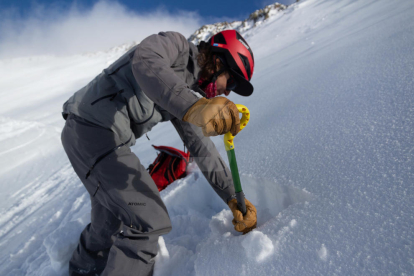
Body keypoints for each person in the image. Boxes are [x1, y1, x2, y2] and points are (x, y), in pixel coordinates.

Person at [61, 29, 257, 276]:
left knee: (109, 221)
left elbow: (202, 148)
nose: (227, 92)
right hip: (93, 130)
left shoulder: (187, 95)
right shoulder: (175, 46)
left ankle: (82, 269)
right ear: (218, 61)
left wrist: (232, 196)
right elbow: (145, 60)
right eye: (232, 81)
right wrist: (195, 106)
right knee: (149, 221)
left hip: (94, 137)